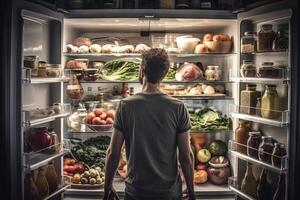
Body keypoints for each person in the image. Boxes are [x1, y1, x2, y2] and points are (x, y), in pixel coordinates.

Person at [104, 48, 195, 200]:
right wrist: (192, 193)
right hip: (169, 194)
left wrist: (107, 189)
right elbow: (186, 156)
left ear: (141, 71)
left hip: (136, 193)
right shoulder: (178, 107)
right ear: (164, 75)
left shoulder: (125, 105)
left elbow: (113, 153)